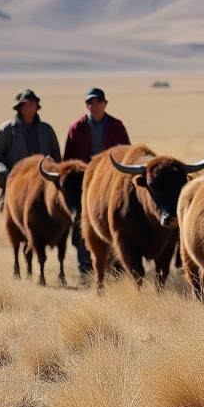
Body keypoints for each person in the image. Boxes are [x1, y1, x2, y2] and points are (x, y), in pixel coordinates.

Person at [63, 86, 130, 275]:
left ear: (105, 103)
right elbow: (69, 159)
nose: (95, 105)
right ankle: (85, 265)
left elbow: (127, 153)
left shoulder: (116, 125)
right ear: (86, 105)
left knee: (114, 219)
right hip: (84, 181)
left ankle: (116, 266)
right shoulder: (77, 127)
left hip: (111, 180)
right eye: (90, 102)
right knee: (83, 220)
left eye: (98, 101)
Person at [0, 89, 61, 212]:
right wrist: (0, 169)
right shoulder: (8, 130)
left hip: (43, 190)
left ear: (37, 107)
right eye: (26, 104)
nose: (30, 106)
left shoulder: (47, 130)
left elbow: (57, 159)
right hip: (15, 188)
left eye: (33, 103)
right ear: (19, 107)